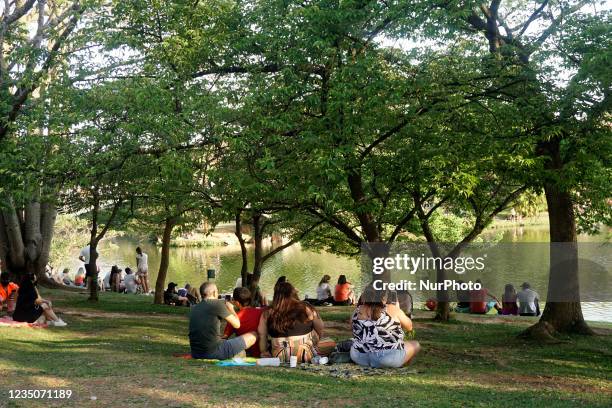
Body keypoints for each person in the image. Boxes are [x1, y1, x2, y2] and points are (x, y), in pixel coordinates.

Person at [350, 284, 420, 368]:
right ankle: (401, 364)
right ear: (383, 296)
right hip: (385, 359)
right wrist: (398, 309)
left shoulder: (357, 311)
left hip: (358, 356)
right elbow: (409, 326)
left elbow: (353, 330)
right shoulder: (392, 309)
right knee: (415, 344)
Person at [258, 282, 323, 363]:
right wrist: (318, 342)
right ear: (293, 293)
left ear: (276, 295)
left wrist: (264, 352)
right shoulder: (306, 307)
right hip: (306, 354)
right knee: (329, 342)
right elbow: (320, 328)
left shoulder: (267, 313)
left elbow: (262, 335)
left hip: (280, 356)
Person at [189, 282, 256, 359]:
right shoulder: (217, 304)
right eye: (217, 291)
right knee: (253, 335)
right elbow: (237, 324)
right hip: (213, 352)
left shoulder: (194, 307)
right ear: (214, 293)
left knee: (225, 340)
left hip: (196, 353)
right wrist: (231, 309)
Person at [223, 287, 264, 357]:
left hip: (247, 353)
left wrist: (230, 310)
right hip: (262, 351)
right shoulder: (261, 312)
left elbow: (224, 337)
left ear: (237, 303)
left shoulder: (234, 319)